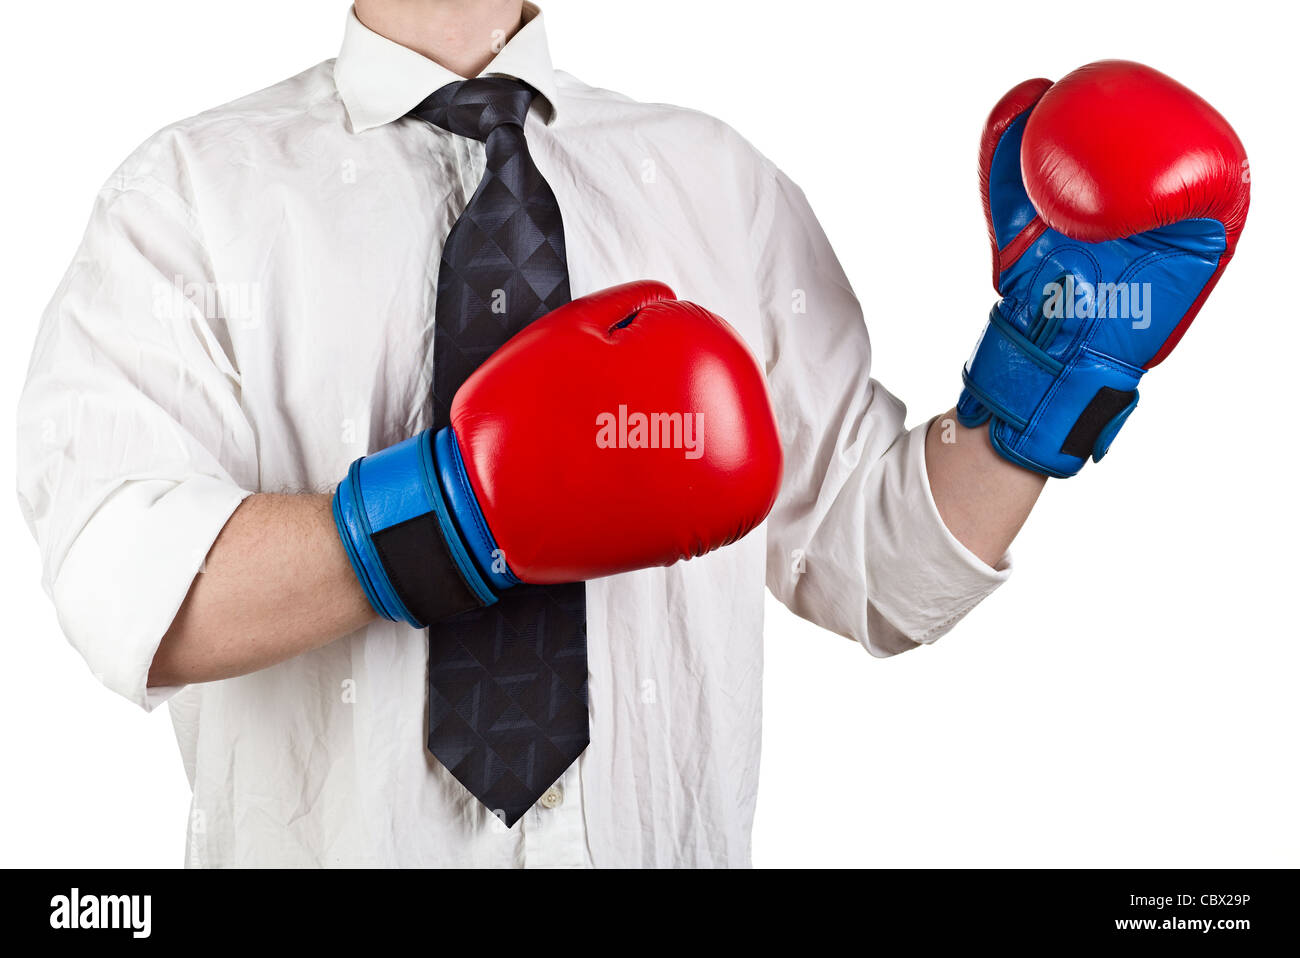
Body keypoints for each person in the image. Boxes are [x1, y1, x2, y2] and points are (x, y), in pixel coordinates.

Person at [15, 1, 1244, 866]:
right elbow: (126, 585)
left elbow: (880, 570)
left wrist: (1049, 372)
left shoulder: (714, 180)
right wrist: (462, 510)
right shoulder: (188, 194)